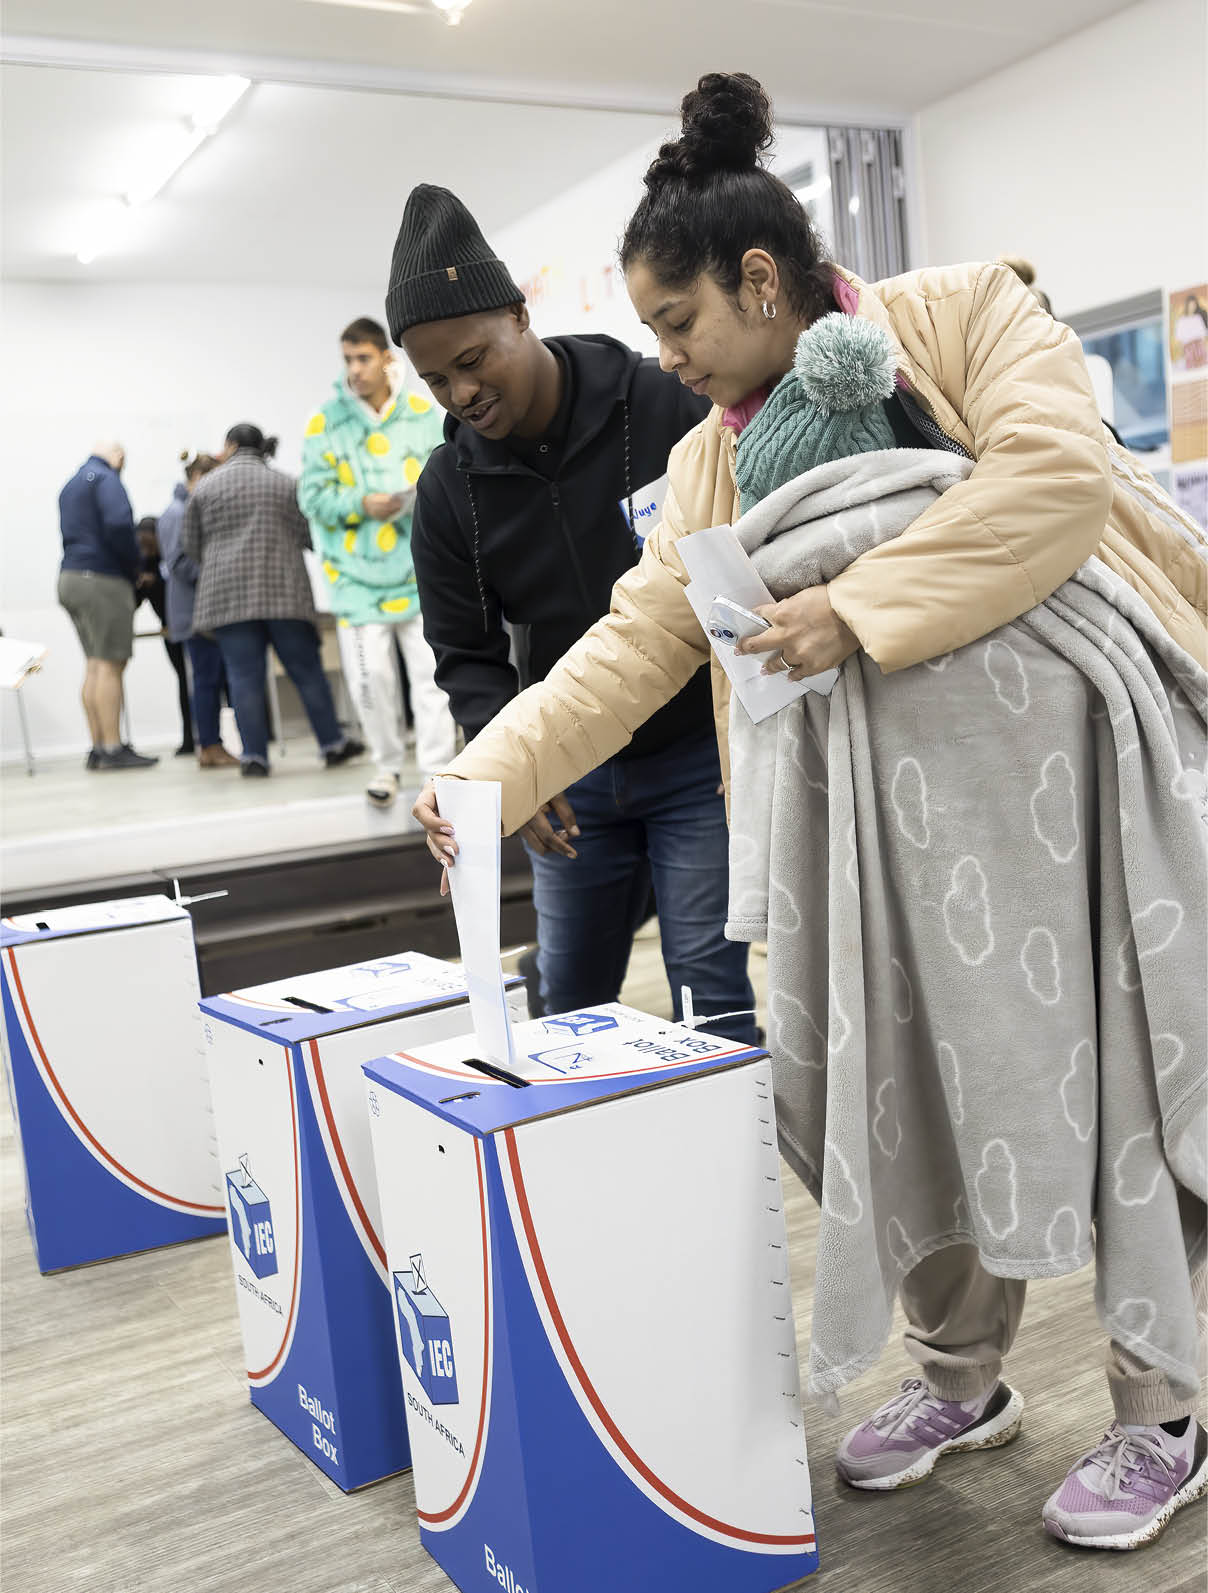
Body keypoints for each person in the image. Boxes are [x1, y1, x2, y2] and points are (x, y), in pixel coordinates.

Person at [412, 73, 1208, 1551]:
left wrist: (853, 605)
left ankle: (1166, 1403)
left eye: (678, 324)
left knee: (1104, 1087)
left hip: (1064, 808)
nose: (669, 357)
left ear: (760, 279)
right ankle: (960, 1374)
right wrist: (487, 772)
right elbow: (640, 636)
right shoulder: (711, 455)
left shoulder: (965, 313)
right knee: (898, 1090)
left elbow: (1054, 480)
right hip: (877, 846)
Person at [391, 184, 756, 1043]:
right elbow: (467, 655)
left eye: (473, 358)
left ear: (521, 315)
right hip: (570, 771)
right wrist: (509, 772)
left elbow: (742, 567)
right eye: (436, 379)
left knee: (710, 980)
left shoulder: (665, 404)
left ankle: (736, 1170)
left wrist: (743, 730)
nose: (461, 391)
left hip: (694, 757)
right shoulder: (449, 492)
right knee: (571, 996)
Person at [298, 316, 456, 806]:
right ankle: (386, 767)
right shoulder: (327, 421)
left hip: (419, 572)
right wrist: (362, 503)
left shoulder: (421, 413)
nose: (354, 370)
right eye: (347, 360)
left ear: (387, 359)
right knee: (372, 680)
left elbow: (449, 475)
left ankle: (439, 773)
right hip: (356, 581)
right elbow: (311, 496)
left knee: (433, 680)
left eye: (363, 358)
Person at [182, 423, 364, 777]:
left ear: (230, 445)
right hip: (284, 594)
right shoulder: (286, 484)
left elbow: (190, 544)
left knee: (243, 677)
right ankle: (331, 745)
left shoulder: (205, 486)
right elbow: (310, 537)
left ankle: (254, 757)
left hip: (228, 597)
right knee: (307, 671)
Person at [57, 441, 158, 770]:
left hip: (70, 577)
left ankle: (99, 747)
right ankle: (114, 748)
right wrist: (135, 566)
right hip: (101, 579)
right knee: (111, 665)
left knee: (95, 665)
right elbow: (118, 525)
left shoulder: (71, 485)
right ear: (118, 457)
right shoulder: (107, 479)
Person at [157, 452, 239, 768]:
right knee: (206, 681)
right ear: (198, 478)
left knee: (211, 680)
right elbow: (178, 563)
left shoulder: (187, 509)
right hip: (194, 615)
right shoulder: (177, 513)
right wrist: (218, 570)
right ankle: (209, 746)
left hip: (204, 612)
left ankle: (213, 744)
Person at [135, 515, 195, 757]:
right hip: (169, 632)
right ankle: (189, 738)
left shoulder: (172, 558)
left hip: (188, 625)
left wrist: (157, 581)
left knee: (205, 680)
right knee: (184, 680)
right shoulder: (144, 562)